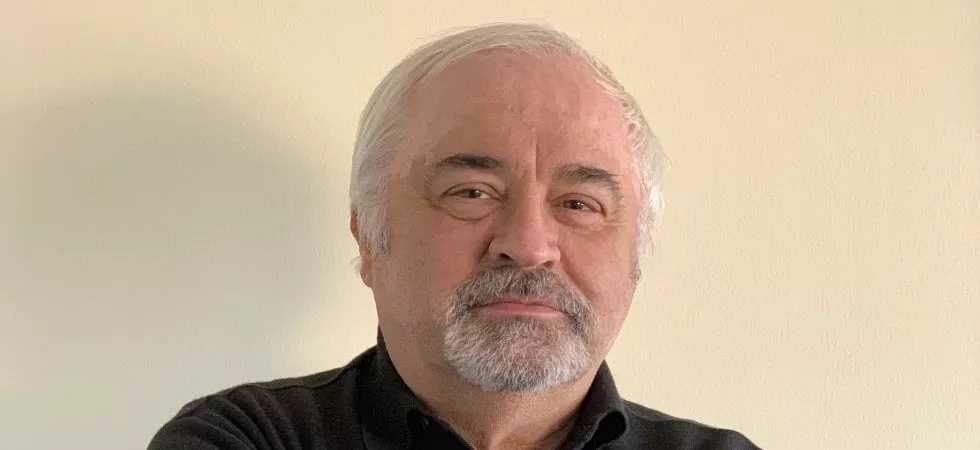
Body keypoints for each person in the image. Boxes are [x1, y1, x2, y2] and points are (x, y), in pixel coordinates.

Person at [149, 23, 759, 450]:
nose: (528, 244)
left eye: (579, 204)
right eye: (472, 192)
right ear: (368, 237)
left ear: (636, 255)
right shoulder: (245, 438)